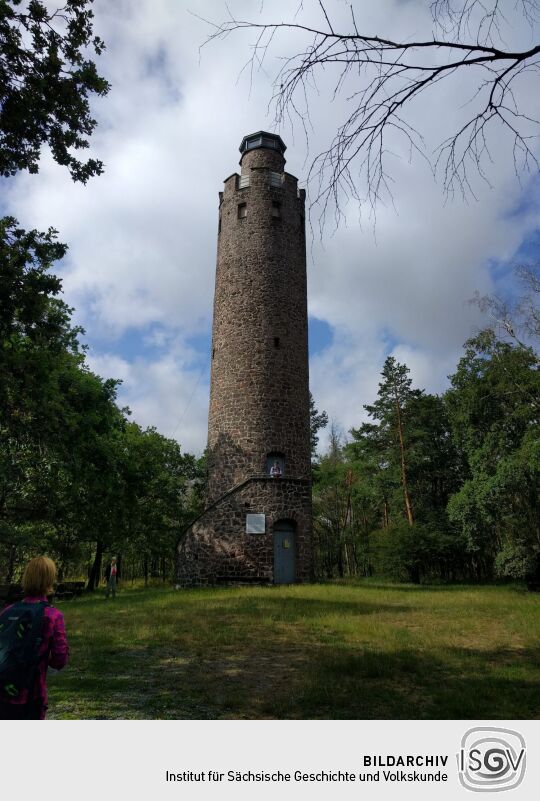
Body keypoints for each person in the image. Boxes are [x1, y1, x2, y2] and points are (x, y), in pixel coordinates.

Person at [0, 556, 69, 720]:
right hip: (32, 695)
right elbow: (60, 660)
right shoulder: (52, 616)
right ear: (50, 580)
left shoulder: (7, 611)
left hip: (3, 691)